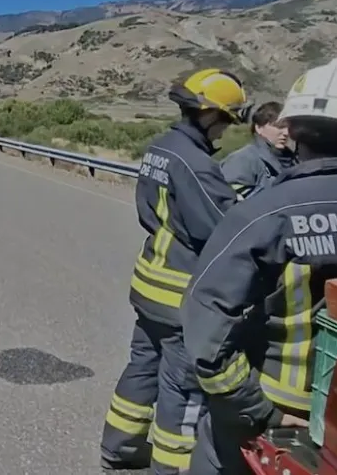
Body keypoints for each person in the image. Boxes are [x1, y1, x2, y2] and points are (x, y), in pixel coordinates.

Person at [181, 57, 337, 475]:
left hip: (278, 411)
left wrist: (250, 407)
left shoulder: (261, 215)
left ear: (290, 129)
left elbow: (206, 327)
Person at [101, 69, 249, 474]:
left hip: (150, 283)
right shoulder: (196, 164)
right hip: (180, 295)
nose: (225, 131)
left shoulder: (160, 147)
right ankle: (171, 468)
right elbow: (226, 229)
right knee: (181, 393)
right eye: (226, 120)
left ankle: (119, 447)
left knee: (142, 369)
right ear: (207, 114)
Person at [220, 101, 297, 200]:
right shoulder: (243, 160)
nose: (286, 132)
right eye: (279, 127)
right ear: (259, 127)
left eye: (288, 127)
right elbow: (231, 202)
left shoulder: (295, 162)